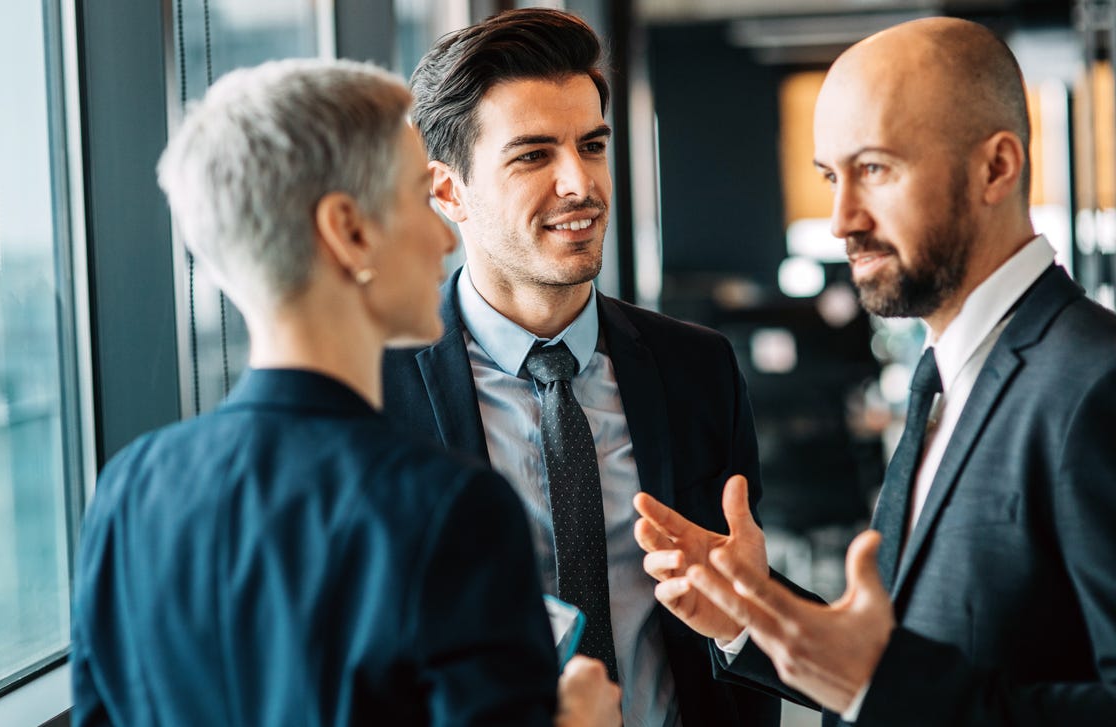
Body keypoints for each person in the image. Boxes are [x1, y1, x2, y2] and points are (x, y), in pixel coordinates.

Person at [69, 58, 622, 727]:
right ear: (349, 230)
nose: (445, 235)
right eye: (419, 197)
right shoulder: (447, 506)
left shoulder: (129, 487)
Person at [635, 16, 1116, 727]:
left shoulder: (1095, 384)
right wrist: (757, 614)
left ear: (996, 167)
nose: (840, 219)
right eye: (830, 176)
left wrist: (877, 684)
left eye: (875, 169)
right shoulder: (941, 381)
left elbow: (894, 684)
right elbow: (902, 656)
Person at [383, 8, 780, 727]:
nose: (580, 185)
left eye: (591, 146)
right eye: (533, 155)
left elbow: (745, 617)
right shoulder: (378, 392)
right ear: (447, 192)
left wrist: (747, 618)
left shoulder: (700, 369)